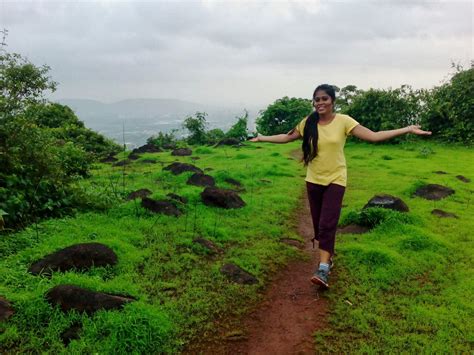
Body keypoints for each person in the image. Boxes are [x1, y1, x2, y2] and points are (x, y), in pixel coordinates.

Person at [249, 84, 431, 288]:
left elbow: (374, 135)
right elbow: (286, 137)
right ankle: (329, 256)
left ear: (333, 101)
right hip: (313, 180)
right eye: (317, 99)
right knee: (319, 226)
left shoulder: (344, 121)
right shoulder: (308, 122)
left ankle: (323, 268)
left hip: (336, 180)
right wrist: (261, 138)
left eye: (324, 99)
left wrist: (407, 129)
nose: (320, 103)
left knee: (328, 223)